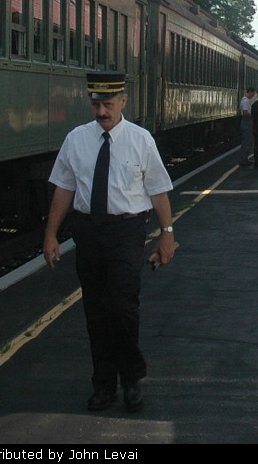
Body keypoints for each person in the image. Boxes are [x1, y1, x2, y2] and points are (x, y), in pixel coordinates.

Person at [43, 71, 176, 414]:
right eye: (96, 105)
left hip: (126, 231)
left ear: (123, 101)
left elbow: (158, 191)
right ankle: (104, 385)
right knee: (96, 311)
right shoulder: (76, 139)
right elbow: (64, 189)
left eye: (108, 104)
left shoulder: (141, 140)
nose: (101, 111)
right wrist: (51, 234)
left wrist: (167, 234)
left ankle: (130, 378)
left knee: (122, 305)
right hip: (88, 231)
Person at [239, 87, 256, 166]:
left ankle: (244, 158)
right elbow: (245, 112)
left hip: (246, 121)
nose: (253, 95)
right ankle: (243, 159)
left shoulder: (245, 100)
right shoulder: (245, 101)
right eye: (253, 93)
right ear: (250, 92)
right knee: (246, 140)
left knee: (247, 140)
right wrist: (252, 116)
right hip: (247, 121)